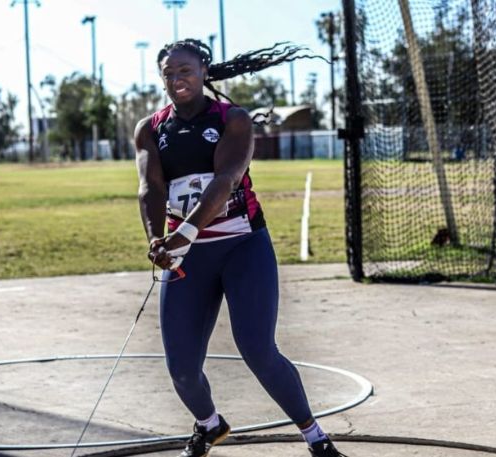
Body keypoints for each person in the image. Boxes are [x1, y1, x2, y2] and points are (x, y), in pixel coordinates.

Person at [135, 39, 347, 457]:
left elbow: (225, 182)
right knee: (180, 368)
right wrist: (156, 239)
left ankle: (315, 437)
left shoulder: (233, 119)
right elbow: (150, 187)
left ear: (204, 71)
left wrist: (185, 234)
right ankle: (209, 425)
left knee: (258, 349)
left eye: (185, 71)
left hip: (242, 247)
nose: (177, 79)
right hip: (186, 257)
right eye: (169, 73)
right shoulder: (151, 128)